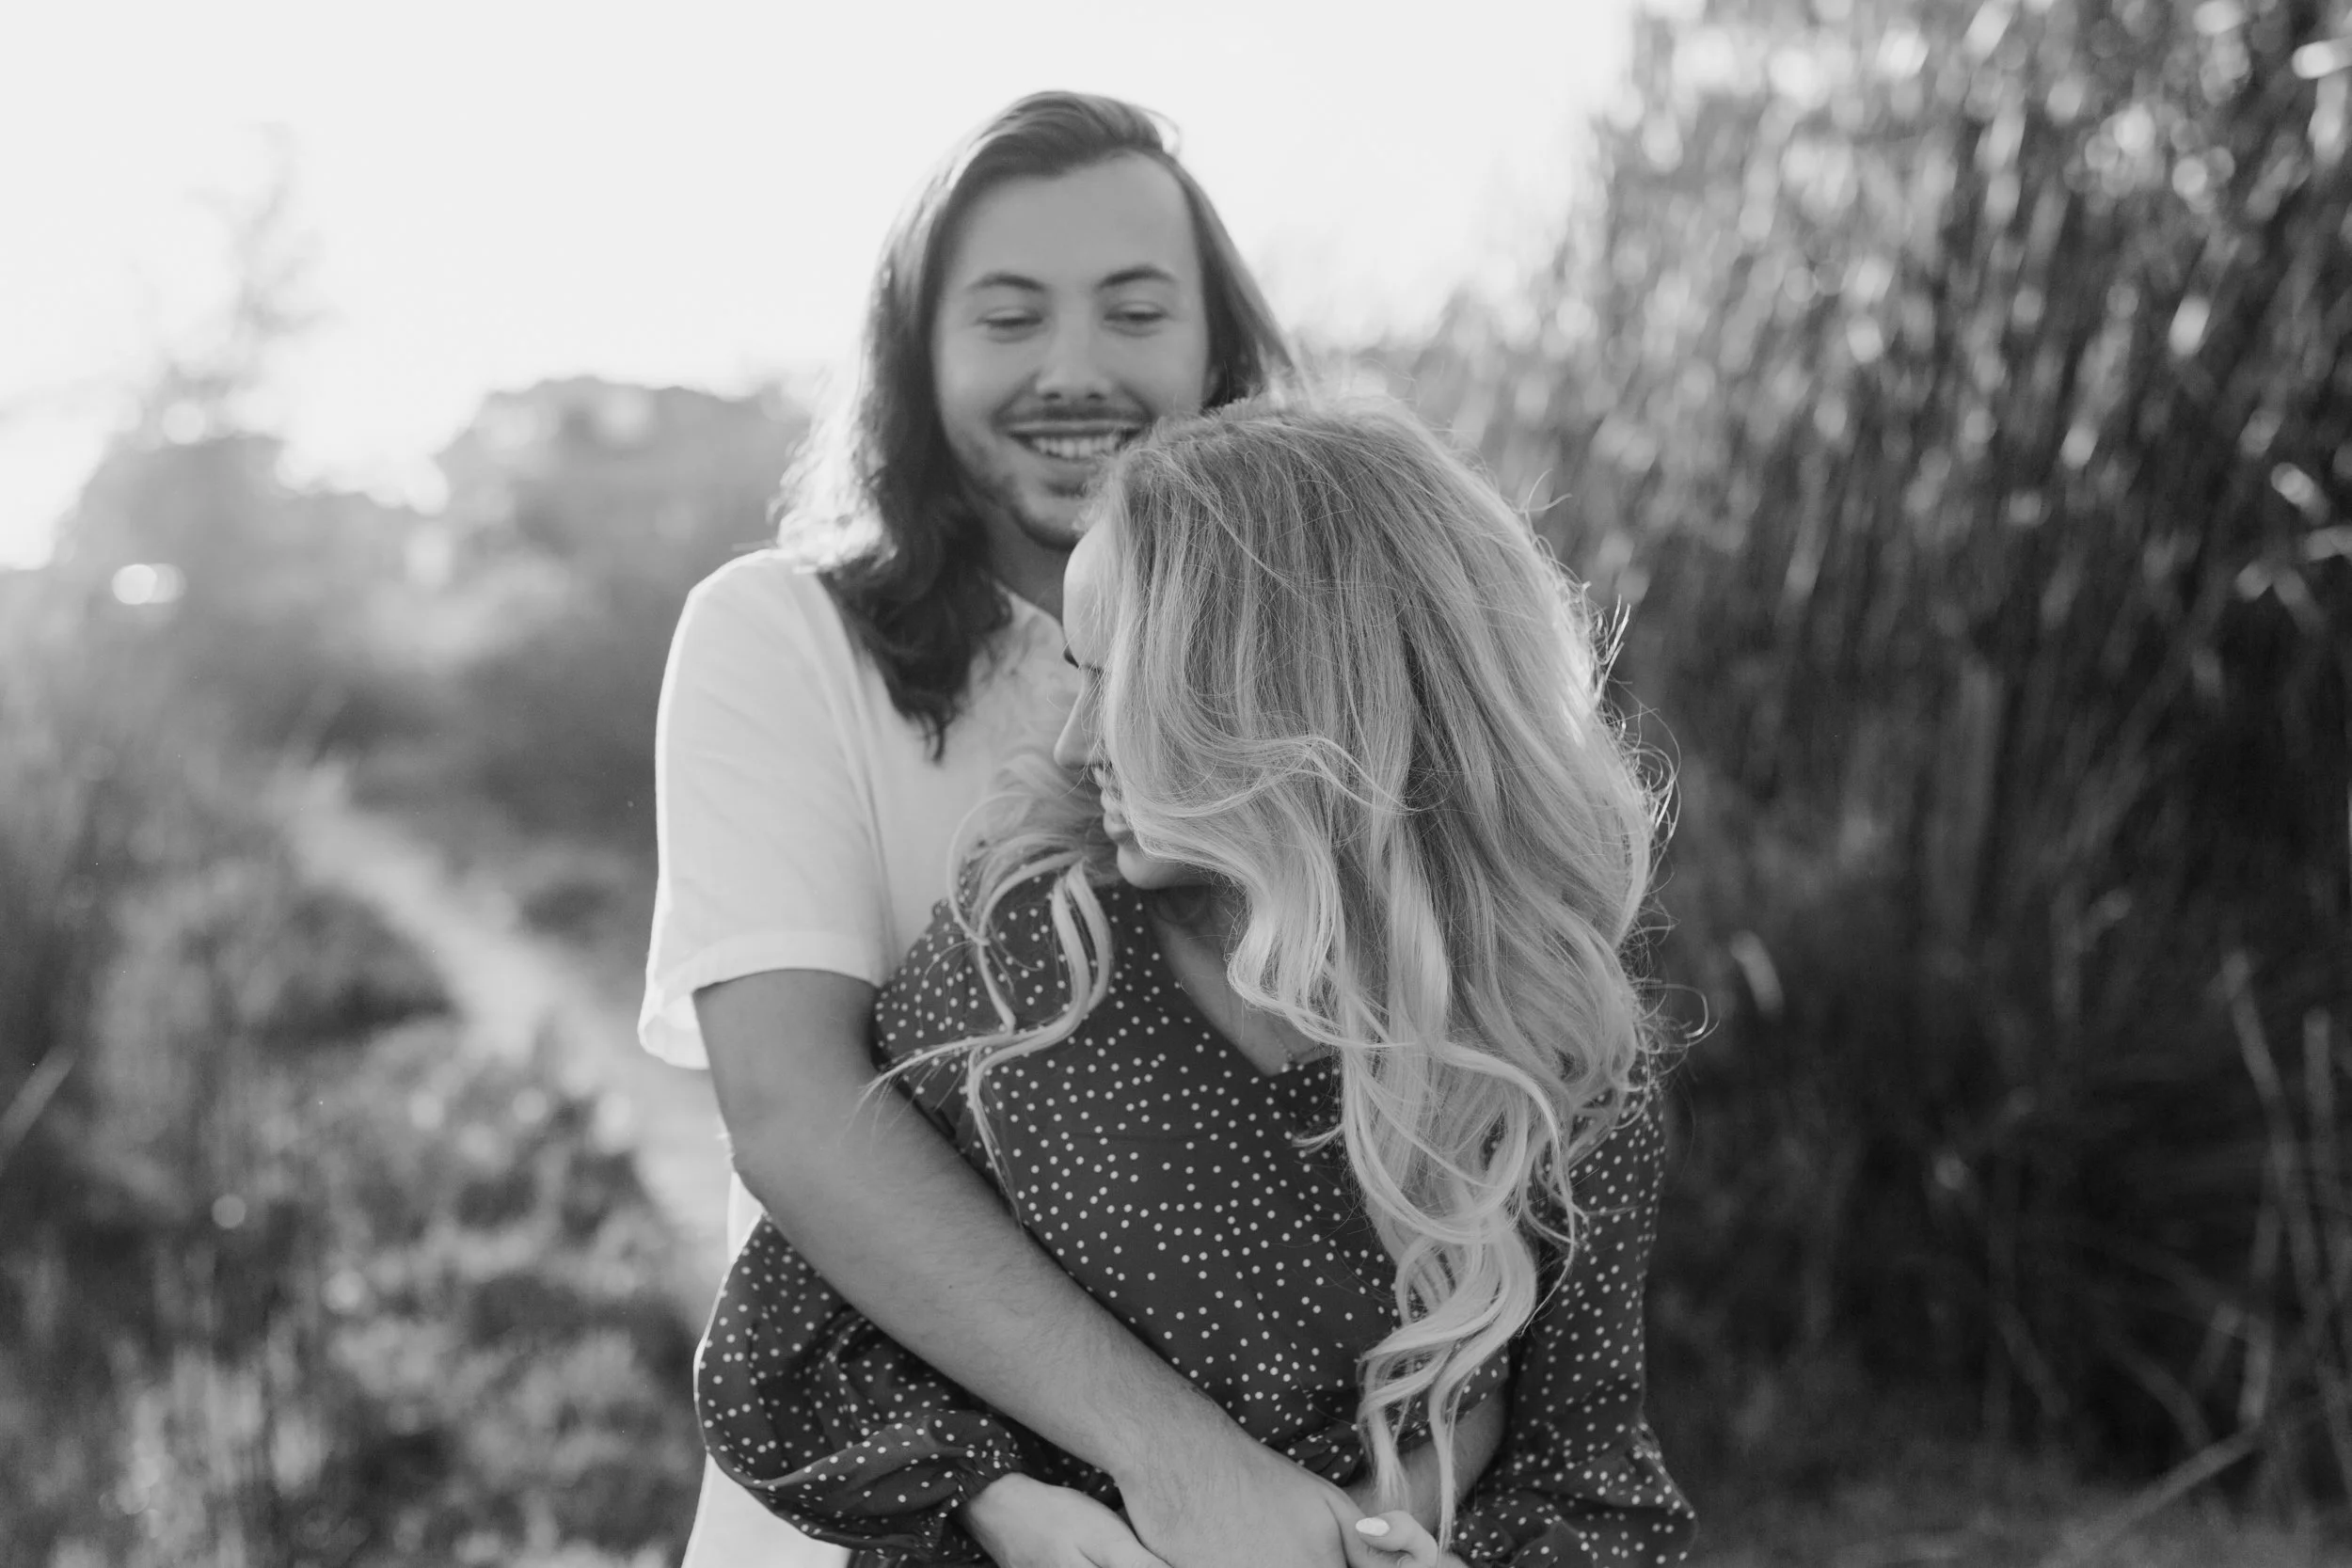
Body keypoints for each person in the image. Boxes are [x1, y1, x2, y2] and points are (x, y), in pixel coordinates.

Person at [696, 399, 1697, 1568]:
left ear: (1288, 693)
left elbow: (1595, 1486)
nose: (1072, 745)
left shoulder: (1559, 1060)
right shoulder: (1037, 955)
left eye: (1114, 683)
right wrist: (1004, 1501)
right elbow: (795, 1338)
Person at [643, 90, 1365, 1568]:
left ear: (1218, 348)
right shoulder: (778, 637)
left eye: (1135, 310)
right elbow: (792, 1110)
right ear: (918, 359)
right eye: (1009, 317)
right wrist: (1178, 1460)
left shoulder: (1320, 656)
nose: (1074, 371)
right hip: (880, 1510)